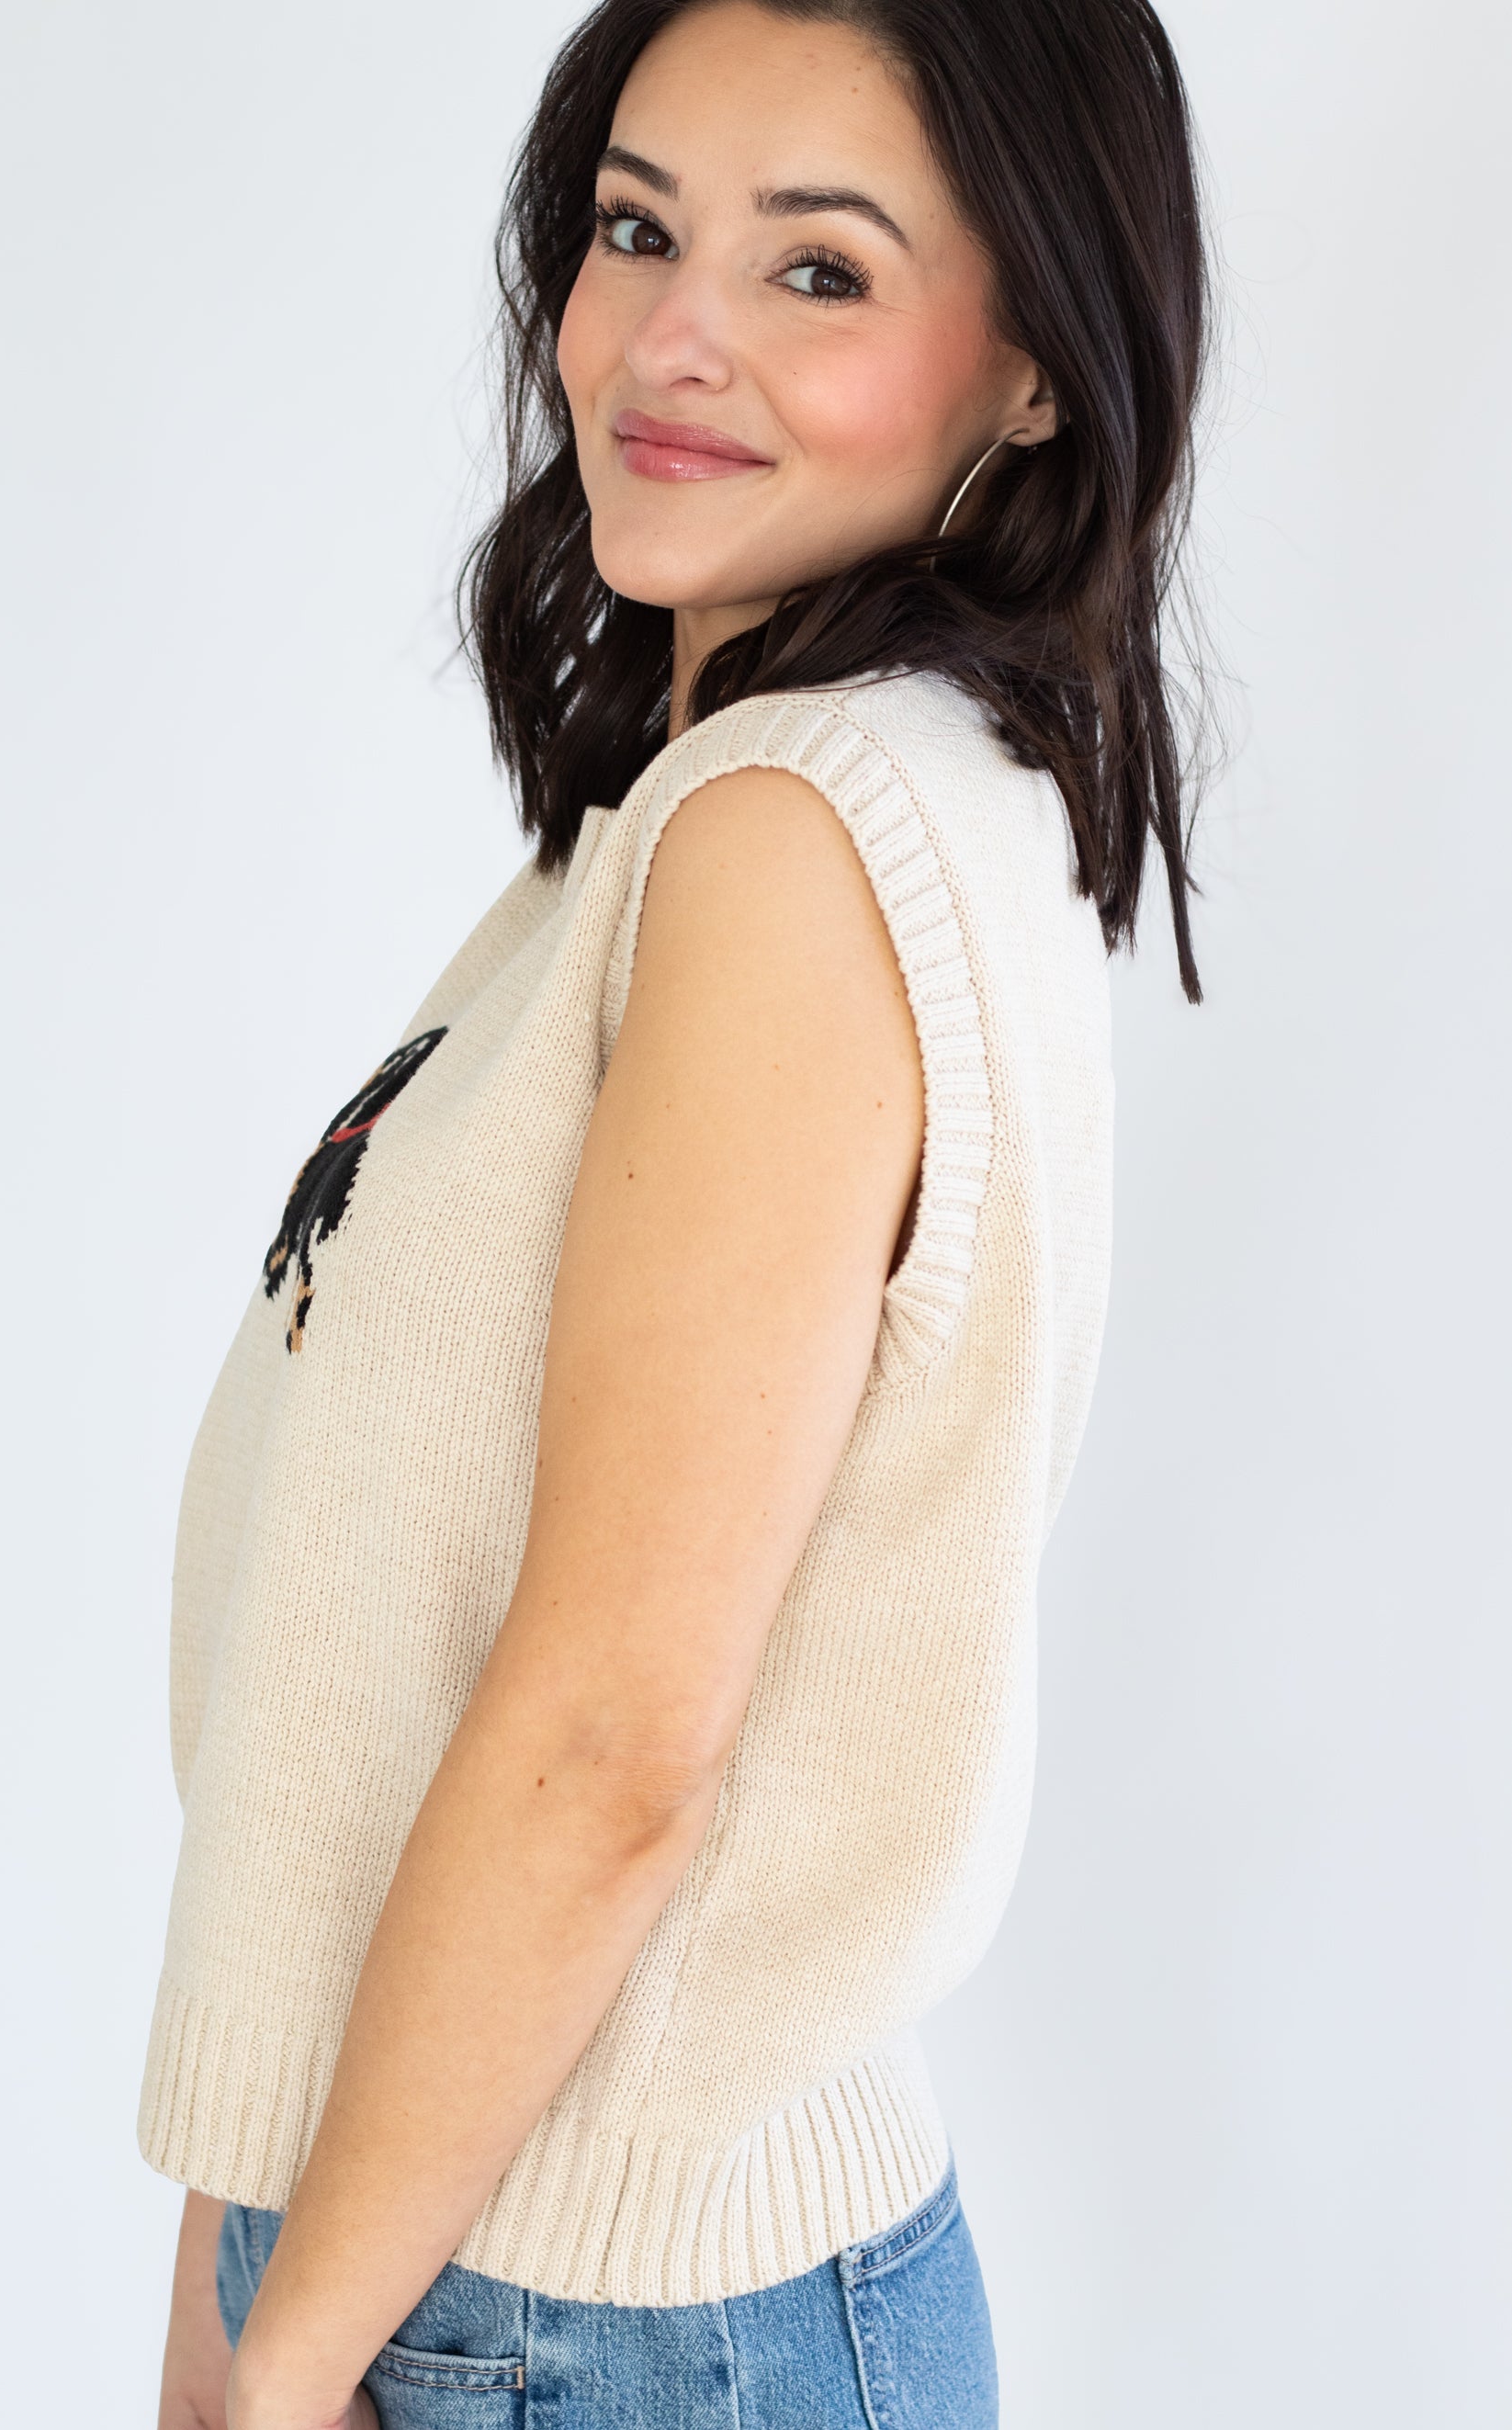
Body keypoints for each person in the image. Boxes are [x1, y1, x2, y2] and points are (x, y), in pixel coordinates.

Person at [148, 0, 1210, 2421]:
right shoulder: (731, 814)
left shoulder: (793, 844)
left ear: (1035, 358)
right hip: (495, 2263)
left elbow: (618, 1728)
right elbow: (388, 1639)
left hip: (590, 2321)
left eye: (817, 272)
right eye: (637, 229)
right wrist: (247, 2259)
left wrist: (292, 2343)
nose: (672, 336)